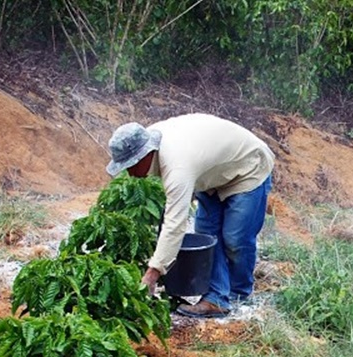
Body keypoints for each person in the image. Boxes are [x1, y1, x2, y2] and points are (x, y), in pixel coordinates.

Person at [105, 113, 275, 318]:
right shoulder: (150, 139)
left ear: (144, 155)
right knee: (207, 234)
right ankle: (217, 298)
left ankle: (238, 295)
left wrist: (153, 272)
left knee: (235, 239)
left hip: (248, 167)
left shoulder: (177, 166)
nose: (129, 173)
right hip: (211, 173)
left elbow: (175, 224)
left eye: (130, 165)